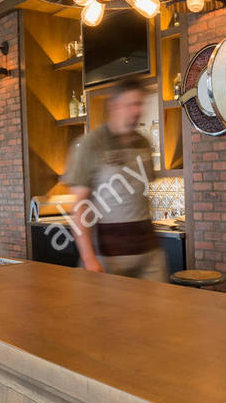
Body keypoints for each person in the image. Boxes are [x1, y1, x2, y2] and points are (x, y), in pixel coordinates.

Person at [61, 78, 167, 281]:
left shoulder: (143, 143)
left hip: (149, 256)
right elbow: (79, 208)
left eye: (139, 104)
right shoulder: (91, 144)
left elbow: (142, 199)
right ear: (114, 106)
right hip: (108, 260)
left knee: (157, 312)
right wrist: (89, 259)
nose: (136, 110)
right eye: (130, 104)